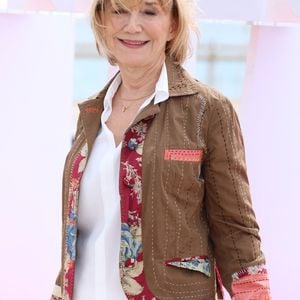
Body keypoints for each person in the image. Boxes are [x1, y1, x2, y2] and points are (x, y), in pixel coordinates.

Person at [51, 0, 271, 299]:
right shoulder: (91, 114)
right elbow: (81, 236)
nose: (132, 26)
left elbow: (235, 229)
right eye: (119, 11)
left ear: (173, 25)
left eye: (149, 11)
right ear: (102, 20)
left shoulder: (208, 110)